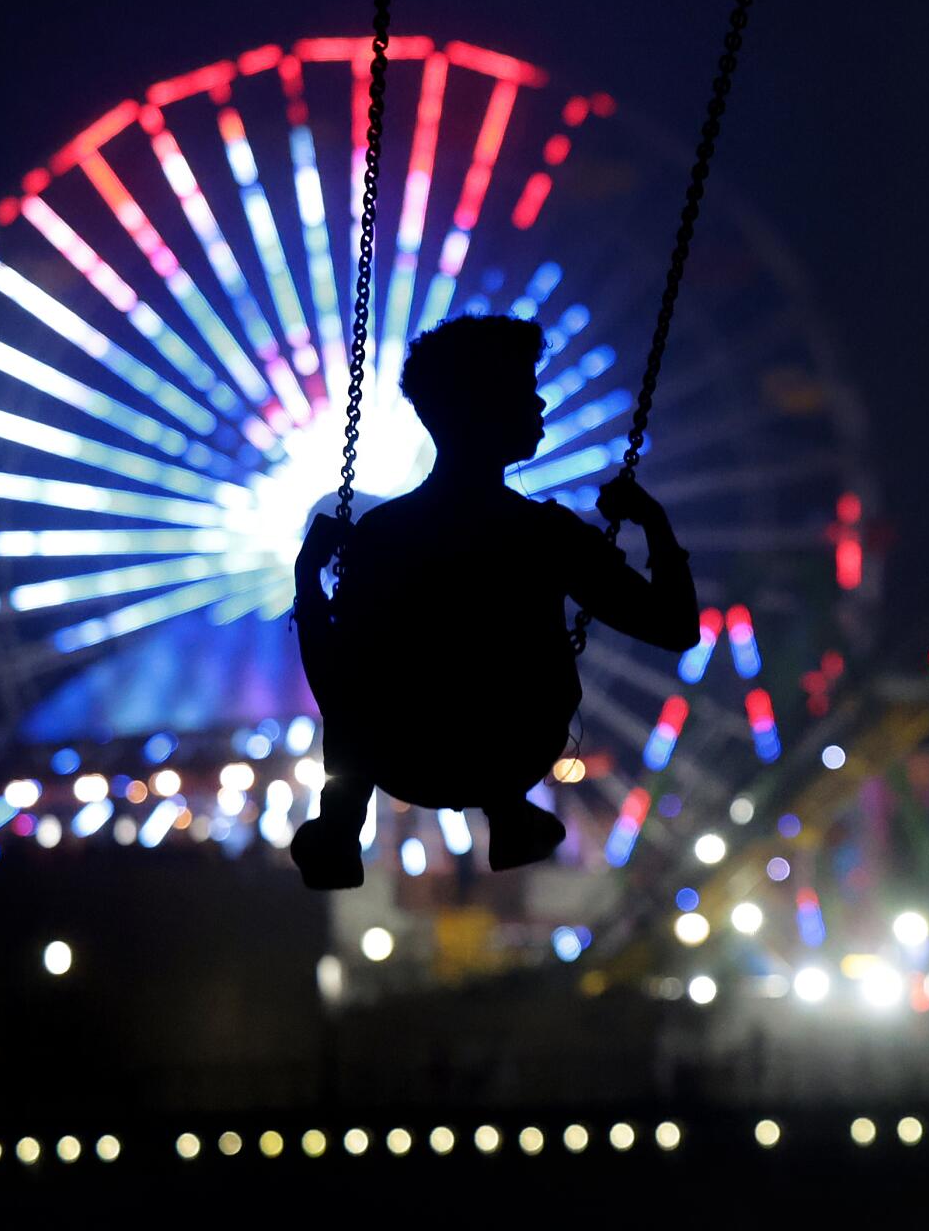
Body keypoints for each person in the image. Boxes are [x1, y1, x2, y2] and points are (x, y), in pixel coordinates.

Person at [290, 315, 699, 889]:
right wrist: (653, 522)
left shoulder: (382, 533)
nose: (540, 404)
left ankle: (340, 822)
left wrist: (307, 581)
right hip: (511, 750)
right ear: (483, 406)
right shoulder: (544, 533)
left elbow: (337, 684)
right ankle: (507, 810)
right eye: (524, 390)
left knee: (362, 673)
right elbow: (676, 627)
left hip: (402, 760)